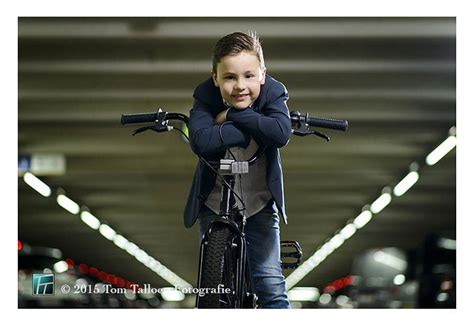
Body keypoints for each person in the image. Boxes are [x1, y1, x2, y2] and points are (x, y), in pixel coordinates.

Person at [184, 31, 292, 308]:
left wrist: (232, 115)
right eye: (230, 77)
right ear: (215, 77)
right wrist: (250, 129)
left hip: (259, 202)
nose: (240, 86)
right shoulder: (205, 96)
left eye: (248, 76)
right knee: (211, 290)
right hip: (214, 203)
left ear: (262, 74)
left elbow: (280, 133)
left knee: (269, 285)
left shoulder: (273, 92)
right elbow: (201, 141)